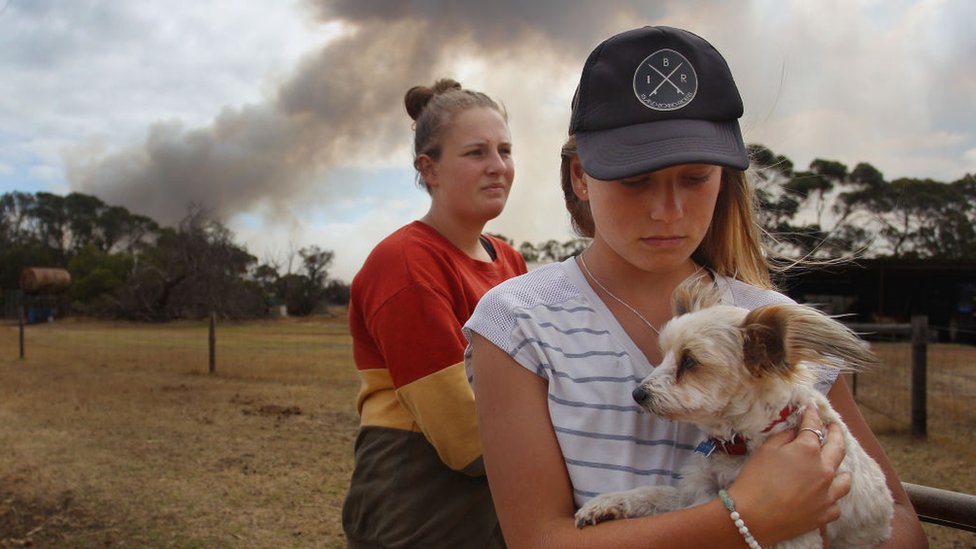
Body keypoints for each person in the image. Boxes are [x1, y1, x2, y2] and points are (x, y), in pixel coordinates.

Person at [463, 26, 926, 548]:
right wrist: (748, 518)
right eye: (635, 179)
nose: (669, 210)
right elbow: (537, 541)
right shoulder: (516, 321)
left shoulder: (773, 328)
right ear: (580, 177)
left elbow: (900, 525)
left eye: (695, 177)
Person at [341, 78, 527, 549]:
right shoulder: (406, 263)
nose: (498, 167)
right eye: (476, 153)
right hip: (416, 493)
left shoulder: (510, 261)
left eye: (504, 150)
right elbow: (462, 436)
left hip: (502, 483)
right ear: (430, 169)